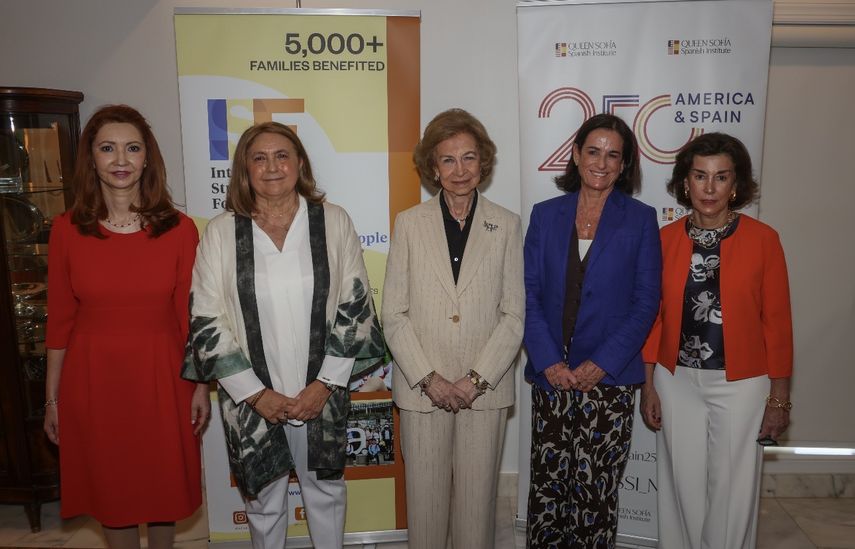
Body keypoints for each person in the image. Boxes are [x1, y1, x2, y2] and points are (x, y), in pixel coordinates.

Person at [182, 121, 384, 549]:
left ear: (299, 163)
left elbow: (355, 304)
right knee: (263, 501)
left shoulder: (333, 221)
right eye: (259, 157)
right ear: (244, 171)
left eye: (281, 155)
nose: (271, 166)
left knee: (326, 493)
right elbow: (206, 317)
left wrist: (324, 385)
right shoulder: (220, 232)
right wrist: (254, 394)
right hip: (252, 395)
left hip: (321, 390)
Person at [44, 105, 207, 548]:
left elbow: (190, 320)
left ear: (147, 159)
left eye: (132, 148)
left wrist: (200, 386)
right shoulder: (65, 230)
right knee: (111, 493)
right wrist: (52, 399)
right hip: (93, 382)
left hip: (162, 377)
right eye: (107, 148)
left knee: (162, 490)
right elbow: (59, 321)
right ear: (91, 158)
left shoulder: (179, 229)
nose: (120, 160)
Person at [641, 132, 793, 549]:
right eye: (700, 176)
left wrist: (779, 398)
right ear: (684, 182)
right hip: (676, 381)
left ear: (736, 184)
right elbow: (654, 318)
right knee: (680, 489)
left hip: (742, 382)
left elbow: (777, 323)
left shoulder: (765, 240)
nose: (709, 188)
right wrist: (649, 382)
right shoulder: (664, 239)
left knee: (731, 492)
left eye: (721, 177)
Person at [383, 108, 524, 549]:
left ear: (483, 162)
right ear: (432, 167)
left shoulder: (507, 224)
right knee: (424, 511)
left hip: (485, 392)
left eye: (469, 158)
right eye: (448, 160)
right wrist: (430, 380)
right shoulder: (409, 223)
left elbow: (513, 315)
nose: (459, 170)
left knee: (476, 511)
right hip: (423, 391)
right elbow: (394, 313)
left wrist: (475, 381)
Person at [523, 113, 661, 548]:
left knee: (595, 494)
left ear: (625, 164)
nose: (601, 162)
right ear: (576, 155)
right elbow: (526, 294)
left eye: (613, 155)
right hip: (551, 379)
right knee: (547, 493)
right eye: (593, 151)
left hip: (609, 383)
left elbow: (645, 302)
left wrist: (600, 363)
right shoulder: (545, 215)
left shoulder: (640, 219)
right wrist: (548, 361)